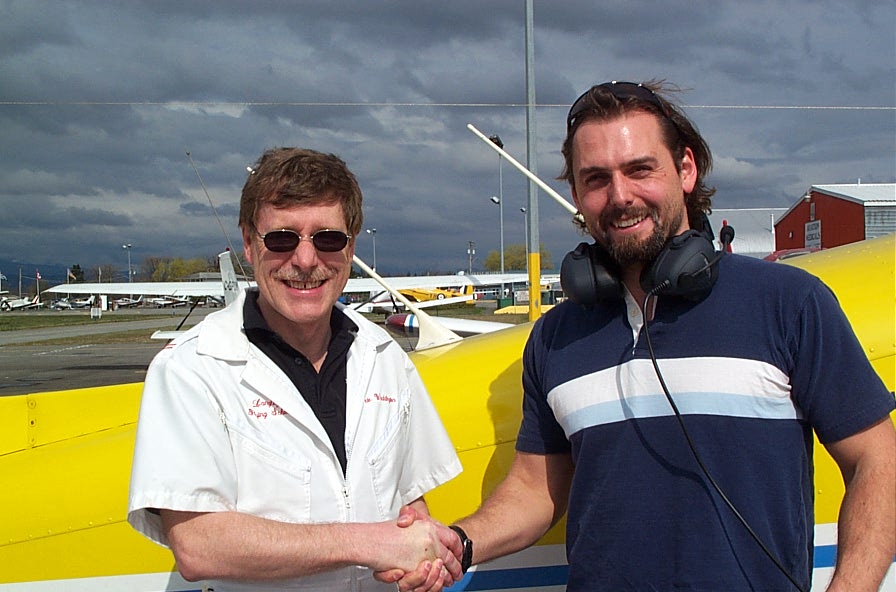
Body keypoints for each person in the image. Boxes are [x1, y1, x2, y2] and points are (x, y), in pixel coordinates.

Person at [385, 81, 896, 591]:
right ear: (579, 196)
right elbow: (535, 490)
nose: (621, 195)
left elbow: (878, 460)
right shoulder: (555, 337)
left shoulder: (789, 304)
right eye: (597, 179)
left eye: (640, 169)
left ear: (686, 170)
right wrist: (458, 543)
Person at [127, 147, 463, 591]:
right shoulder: (193, 367)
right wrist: (368, 544)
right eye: (282, 239)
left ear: (351, 246)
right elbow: (198, 543)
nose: (306, 261)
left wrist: (423, 558)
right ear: (249, 243)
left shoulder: (385, 356)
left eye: (328, 239)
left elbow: (408, 502)